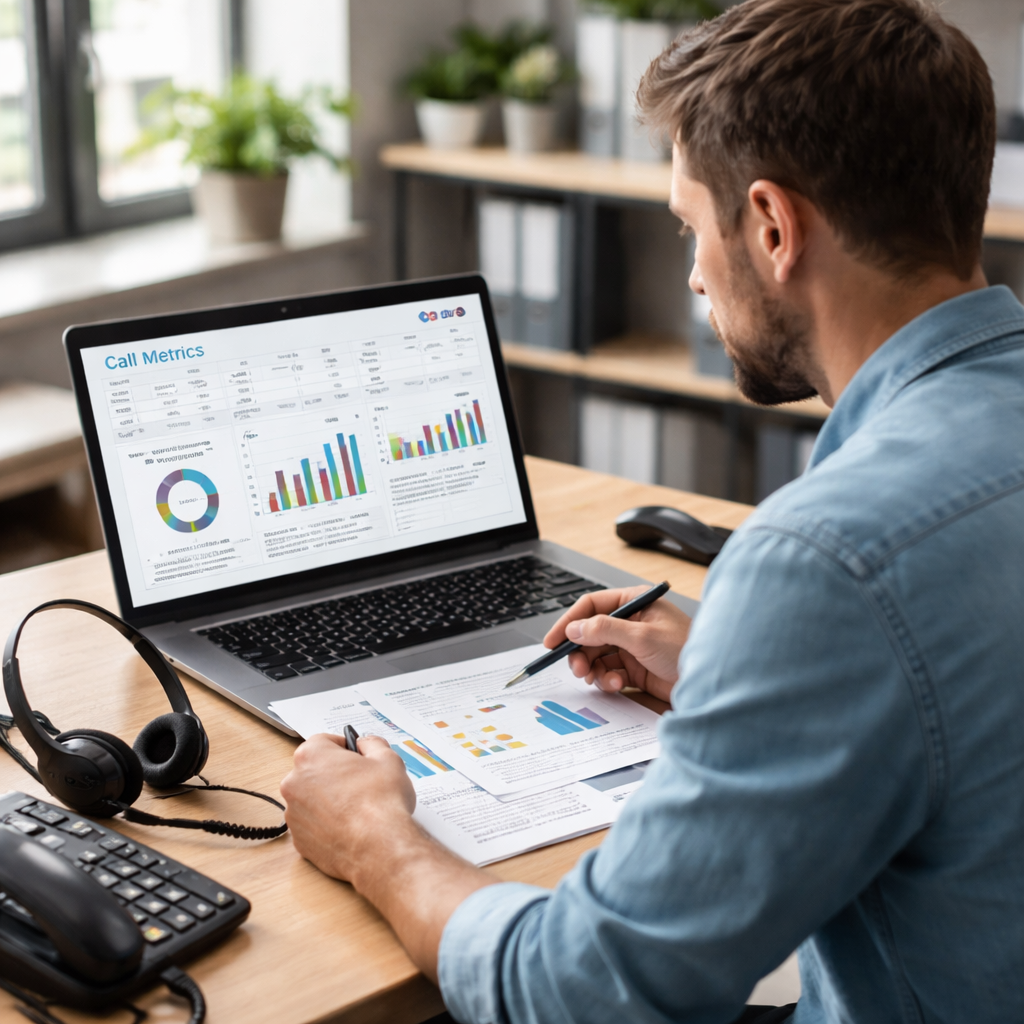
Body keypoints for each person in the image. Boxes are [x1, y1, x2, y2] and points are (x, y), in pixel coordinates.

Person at [280, 0, 1024, 1020]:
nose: (690, 274)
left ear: (771, 227)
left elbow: (588, 992)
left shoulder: (831, 562)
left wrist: (375, 839)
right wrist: (742, 661)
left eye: (688, 226)